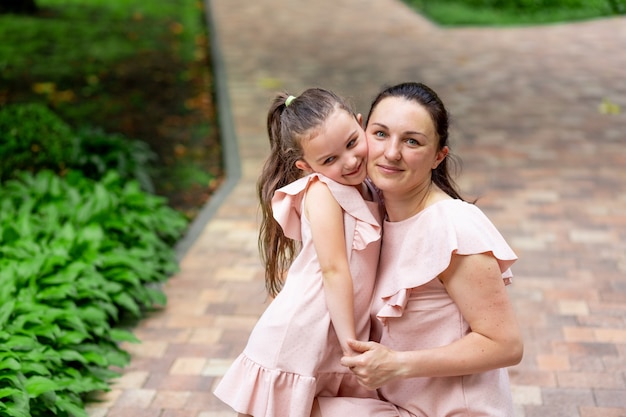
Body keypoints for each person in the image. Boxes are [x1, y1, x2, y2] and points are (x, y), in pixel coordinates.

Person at [314, 82, 524, 417]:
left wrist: (397, 364)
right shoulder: (371, 213)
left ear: (439, 156)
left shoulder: (453, 225)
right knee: (276, 397)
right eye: (380, 134)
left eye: (412, 141)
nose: (392, 152)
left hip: (451, 412)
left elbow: (505, 345)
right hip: (395, 406)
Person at [213, 88, 383, 417]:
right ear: (306, 166)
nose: (349, 161)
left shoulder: (369, 186)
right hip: (304, 331)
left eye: (351, 143)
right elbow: (334, 269)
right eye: (329, 160)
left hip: (335, 329)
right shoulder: (322, 192)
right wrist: (352, 343)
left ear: (360, 124)